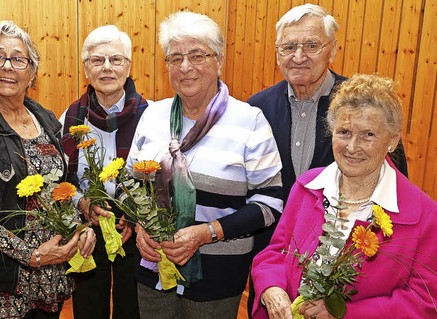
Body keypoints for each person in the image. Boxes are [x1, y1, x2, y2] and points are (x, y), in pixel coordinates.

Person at [245, 6, 407, 314]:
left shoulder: (362, 106)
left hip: (347, 275)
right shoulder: (257, 107)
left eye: (311, 45)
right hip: (275, 265)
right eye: (288, 47)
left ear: (331, 49)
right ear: (277, 53)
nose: (299, 55)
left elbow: (394, 189)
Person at [129, 11, 283, 319]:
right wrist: (139, 226)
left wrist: (207, 232)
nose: (185, 67)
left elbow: (270, 202)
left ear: (219, 60)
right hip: (153, 269)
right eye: (175, 58)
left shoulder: (249, 121)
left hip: (217, 276)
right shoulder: (153, 116)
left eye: (197, 55)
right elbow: (129, 183)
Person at [251, 74, 437, 319]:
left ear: (392, 140)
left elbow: (424, 301)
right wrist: (271, 288)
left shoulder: (424, 215)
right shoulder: (308, 186)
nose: (352, 147)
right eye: (344, 132)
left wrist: (344, 313)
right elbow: (276, 252)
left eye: (368, 135)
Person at [0, 21, 96, 319]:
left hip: (49, 279)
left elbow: (59, 188)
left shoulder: (45, 118)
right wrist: (33, 255)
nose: (7, 67)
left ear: (32, 71)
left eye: (18, 59)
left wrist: (80, 227)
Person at [60, 25, 146, 319]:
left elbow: (161, 178)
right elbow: (61, 181)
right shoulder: (68, 118)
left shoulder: (152, 116)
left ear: (129, 66)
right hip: (86, 230)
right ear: (86, 69)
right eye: (97, 60)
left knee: (132, 308)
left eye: (116, 59)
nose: (107, 67)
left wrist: (134, 216)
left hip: (135, 231)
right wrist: (83, 203)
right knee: (88, 308)